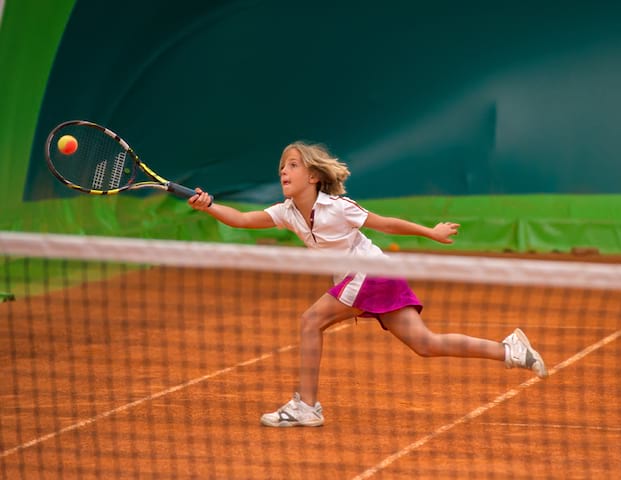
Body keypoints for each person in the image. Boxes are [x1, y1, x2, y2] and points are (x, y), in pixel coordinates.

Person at [188, 141, 548, 428]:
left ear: (313, 176)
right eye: (282, 165)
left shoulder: (337, 207)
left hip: (370, 272)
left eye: (293, 164)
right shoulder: (287, 212)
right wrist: (209, 206)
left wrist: (430, 233)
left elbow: (384, 223)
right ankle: (508, 350)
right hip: (375, 278)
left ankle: (308, 406)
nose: (284, 169)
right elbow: (242, 219)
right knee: (425, 343)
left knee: (310, 321)